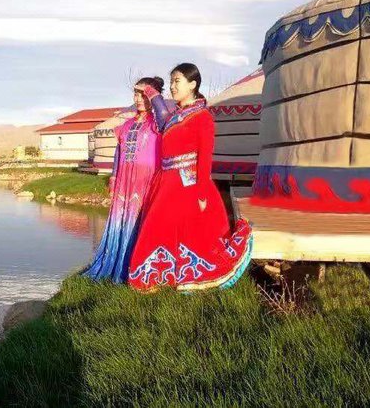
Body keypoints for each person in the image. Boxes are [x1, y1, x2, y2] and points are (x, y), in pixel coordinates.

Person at [127, 63, 253, 292]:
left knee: (189, 234)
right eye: (171, 81)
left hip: (189, 184)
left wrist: (202, 193)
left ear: (192, 84)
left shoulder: (202, 117)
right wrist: (151, 92)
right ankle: (157, 276)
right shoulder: (175, 116)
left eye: (177, 81)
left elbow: (205, 157)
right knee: (158, 229)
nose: (172, 86)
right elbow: (161, 117)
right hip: (166, 182)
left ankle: (186, 275)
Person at [83, 76, 173, 283]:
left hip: (146, 180)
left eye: (145, 94)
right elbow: (118, 152)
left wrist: (152, 93)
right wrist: (114, 177)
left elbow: (162, 112)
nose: (139, 99)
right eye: (136, 94)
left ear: (154, 95)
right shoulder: (126, 125)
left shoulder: (159, 122)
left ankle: (139, 267)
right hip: (125, 180)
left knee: (141, 221)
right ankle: (117, 263)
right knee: (122, 220)